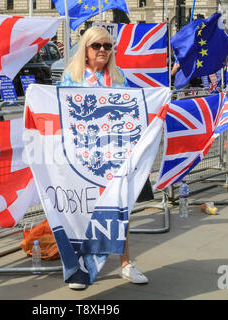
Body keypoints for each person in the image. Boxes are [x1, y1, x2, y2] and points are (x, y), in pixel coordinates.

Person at [59, 26, 149, 290]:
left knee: (121, 210)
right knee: (83, 211)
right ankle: (81, 265)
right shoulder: (70, 78)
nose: (102, 51)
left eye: (108, 46)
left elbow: (139, 108)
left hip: (117, 155)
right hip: (83, 156)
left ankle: (126, 263)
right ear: (85, 49)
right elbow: (59, 113)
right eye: (97, 45)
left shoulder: (120, 78)